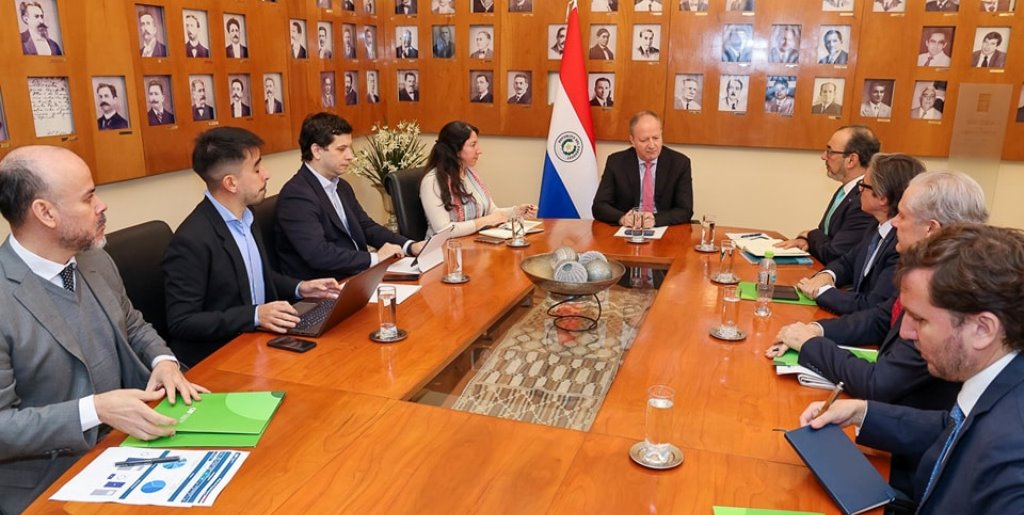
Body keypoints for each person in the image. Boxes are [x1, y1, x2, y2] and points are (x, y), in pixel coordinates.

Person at [0, 145, 205, 514]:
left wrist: (163, 361)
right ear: (44, 212)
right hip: (52, 480)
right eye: (89, 196)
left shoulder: (94, 259)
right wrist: (95, 411)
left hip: (131, 444)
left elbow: (133, 322)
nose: (102, 205)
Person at [770, 171, 989, 504]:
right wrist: (862, 413)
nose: (893, 223)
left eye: (902, 215)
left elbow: (883, 381)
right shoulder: (933, 276)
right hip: (906, 451)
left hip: (909, 476)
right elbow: (954, 427)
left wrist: (813, 345)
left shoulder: (955, 297)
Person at [797, 222, 1024, 515]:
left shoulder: (1012, 459)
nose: (905, 332)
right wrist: (861, 413)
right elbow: (956, 431)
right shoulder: (1003, 381)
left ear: (982, 329)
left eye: (920, 319)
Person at [164, 127, 340, 366]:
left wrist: (301, 288)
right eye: (257, 168)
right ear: (231, 183)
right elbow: (182, 322)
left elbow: (254, 278)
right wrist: (256, 315)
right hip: (221, 357)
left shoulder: (247, 216)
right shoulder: (192, 240)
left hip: (260, 344)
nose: (266, 174)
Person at [276, 114, 423, 280]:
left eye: (350, 148)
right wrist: (375, 258)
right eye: (341, 149)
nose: (350, 156)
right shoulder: (297, 196)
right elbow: (319, 254)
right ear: (316, 151)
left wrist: (409, 246)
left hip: (355, 276)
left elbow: (366, 227)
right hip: (323, 289)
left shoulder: (341, 186)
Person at [795, 153, 924, 315]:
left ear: (882, 198)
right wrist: (827, 275)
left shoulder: (901, 244)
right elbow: (847, 262)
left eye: (864, 185)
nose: (859, 190)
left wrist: (821, 291)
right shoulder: (875, 226)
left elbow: (871, 304)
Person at [776, 126, 879, 263]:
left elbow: (834, 253)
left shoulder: (863, 199)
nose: (823, 156)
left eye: (830, 151)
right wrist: (806, 241)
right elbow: (826, 235)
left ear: (851, 160)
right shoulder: (846, 190)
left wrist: (810, 234)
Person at [420, 121, 536, 238]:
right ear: (455, 149)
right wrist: (485, 221)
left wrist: (515, 212)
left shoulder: (470, 173)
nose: (479, 151)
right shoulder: (432, 182)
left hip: (473, 245)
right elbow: (443, 230)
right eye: (472, 145)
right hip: (444, 251)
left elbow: (491, 211)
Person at [592, 111, 693, 228]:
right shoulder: (616, 162)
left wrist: (655, 219)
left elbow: (685, 210)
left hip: (663, 228)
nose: (651, 145)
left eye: (656, 138)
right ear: (632, 141)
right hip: (628, 230)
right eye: (644, 140)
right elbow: (599, 206)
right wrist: (622, 218)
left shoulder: (679, 163)